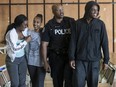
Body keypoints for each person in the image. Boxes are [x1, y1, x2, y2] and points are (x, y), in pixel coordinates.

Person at [69, 1, 110, 87]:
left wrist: (106, 60)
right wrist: (71, 58)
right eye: (93, 10)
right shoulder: (77, 24)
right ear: (87, 10)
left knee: (93, 85)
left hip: (94, 61)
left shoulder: (100, 24)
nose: (96, 12)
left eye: (97, 10)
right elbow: (73, 42)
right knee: (78, 84)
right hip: (80, 60)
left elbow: (105, 42)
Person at [41, 4, 75, 87]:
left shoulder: (70, 22)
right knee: (57, 82)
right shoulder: (49, 25)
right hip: (56, 57)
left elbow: (81, 27)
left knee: (69, 81)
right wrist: (45, 62)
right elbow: (44, 45)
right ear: (53, 12)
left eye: (62, 9)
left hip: (69, 57)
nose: (61, 12)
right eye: (58, 10)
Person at [5, 14, 31, 87]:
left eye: (27, 24)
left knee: (22, 83)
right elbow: (14, 49)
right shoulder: (11, 33)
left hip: (22, 59)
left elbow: (32, 33)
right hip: (13, 60)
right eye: (25, 24)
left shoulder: (24, 30)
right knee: (15, 84)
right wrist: (25, 41)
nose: (26, 26)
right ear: (19, 24)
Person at [26, 14, 46, 87]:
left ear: (41, 23)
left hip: (41, 63)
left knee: (40, 84)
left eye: (37, 22)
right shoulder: (29, 32)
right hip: (31, 62)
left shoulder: (44, 34)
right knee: (34, 84)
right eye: (34, 21)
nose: (35, 24)